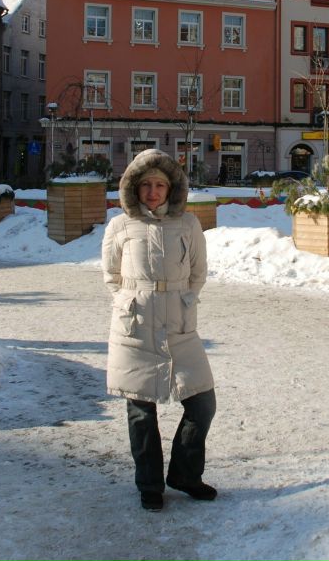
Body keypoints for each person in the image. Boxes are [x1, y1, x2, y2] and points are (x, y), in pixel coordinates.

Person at [101, 148, 217, 512]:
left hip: (180, 328)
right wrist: (134, 301)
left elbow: (198, 272)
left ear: (171, 189)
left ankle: (185, 474)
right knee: (141, 410)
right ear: (134, 187)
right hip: (135, 328)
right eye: (146, 184)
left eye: (160, 185)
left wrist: (181, 300)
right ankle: (149, 484)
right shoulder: (119, 226)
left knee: (203, 404)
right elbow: (111, 276)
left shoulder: (188, 224)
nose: (153, 191)